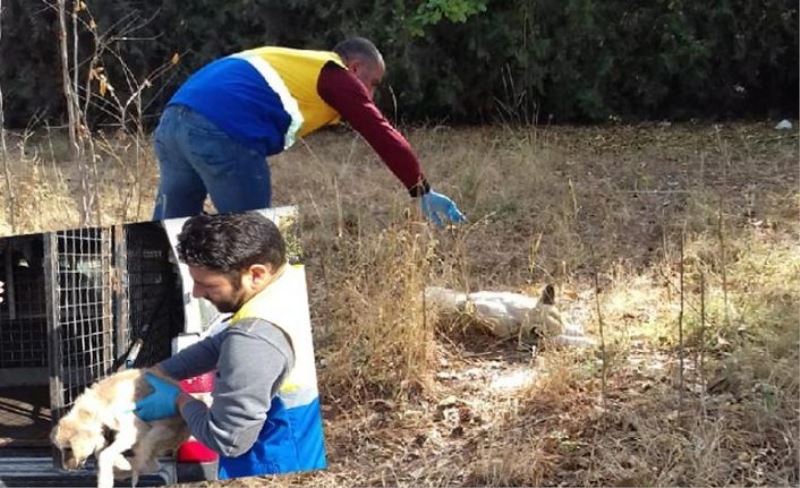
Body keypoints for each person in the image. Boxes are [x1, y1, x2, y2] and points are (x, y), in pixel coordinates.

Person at [151, 37, 466, 227]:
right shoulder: (334, 74)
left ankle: (144, 312)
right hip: (223, 131)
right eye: (373, 83)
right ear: (355, 68)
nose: (370, 94)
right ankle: (272, 331)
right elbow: (380, 131)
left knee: (169, 229)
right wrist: (420, 188)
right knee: (261, 236)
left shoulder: (296, 66)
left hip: (172, 123)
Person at [134, 212, 325, 478]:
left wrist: (179, 400)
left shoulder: (253, 340)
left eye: (206, 284)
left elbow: (228, 441)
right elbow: (216, 346)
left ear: (256, 274)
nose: (198, 293)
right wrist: (153, 374)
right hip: (299, 444)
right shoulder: (285, 286)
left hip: (271, 463)